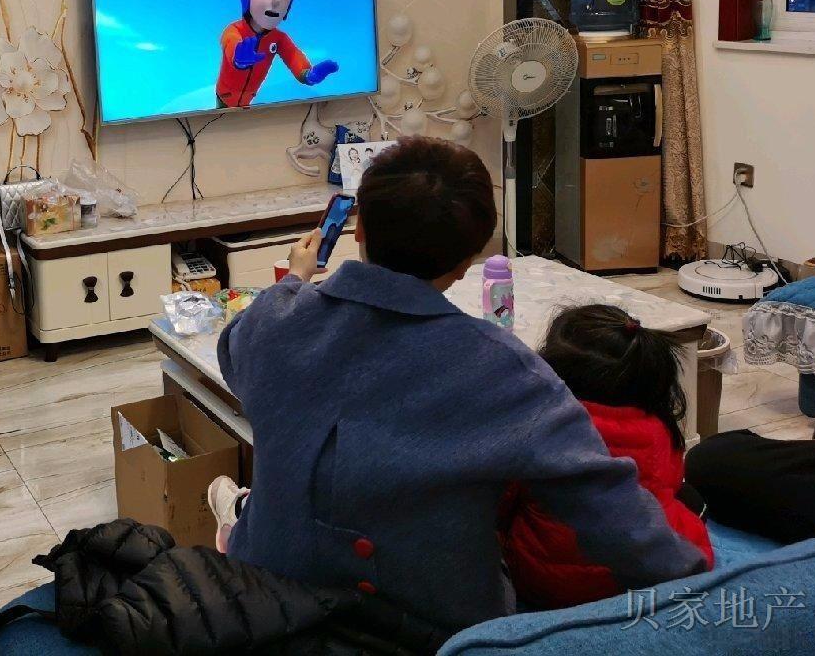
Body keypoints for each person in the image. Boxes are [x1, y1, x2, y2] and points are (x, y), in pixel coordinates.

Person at [215, 137, 707, 633]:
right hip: (431, 626)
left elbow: (235, 356)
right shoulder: (506, 370)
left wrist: (293, 281)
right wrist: (703, 590)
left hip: (267, 602)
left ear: (359, 228)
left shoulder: (275, 321)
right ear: (468, 260)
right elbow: (610, 511)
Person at [500, 304, 714, 609]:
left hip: (542, 584)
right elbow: (668, 484)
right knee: (688, 500)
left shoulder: (539, 424)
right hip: (637, 579)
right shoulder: (658, 429)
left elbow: (504, 500)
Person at [215, 0, 338, 108]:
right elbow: (230, 41)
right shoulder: (235, 30)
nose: (276, 0)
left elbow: (293, 55)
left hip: (247, 102)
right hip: (225, 97)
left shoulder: (278, 39)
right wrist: (238, 57)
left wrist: (307, 74)